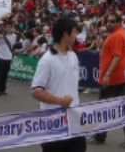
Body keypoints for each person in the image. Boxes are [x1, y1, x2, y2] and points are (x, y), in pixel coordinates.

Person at [30, 17, 85, 152]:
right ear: (65, 34)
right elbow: (36, 91)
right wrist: (60, 101)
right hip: (53, 125)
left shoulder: (73, 56)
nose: (76, 35)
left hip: (75, 122)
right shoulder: (47, 59)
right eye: (73, 32)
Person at [92, 13, 125, 147]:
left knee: (103, 107)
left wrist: (108, 74)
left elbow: (117, 57)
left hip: (113, 78)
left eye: (112, 21)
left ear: (119, 22)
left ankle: (100, 136)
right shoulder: (120, 33)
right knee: (122, 106)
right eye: (108, 21)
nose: (108, 23)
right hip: (120, 76)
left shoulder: (118, 35)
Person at [0, 22, 16, 96]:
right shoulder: (0, 35)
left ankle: (3, 89)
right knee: (0, 74)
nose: (8, 28)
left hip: (8, 57)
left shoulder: (14, 36)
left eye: (9, 27)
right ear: (5, 28)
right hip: (1, 56)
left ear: (11, 28)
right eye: (6, 27)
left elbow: (12, 45)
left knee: (5, 74)